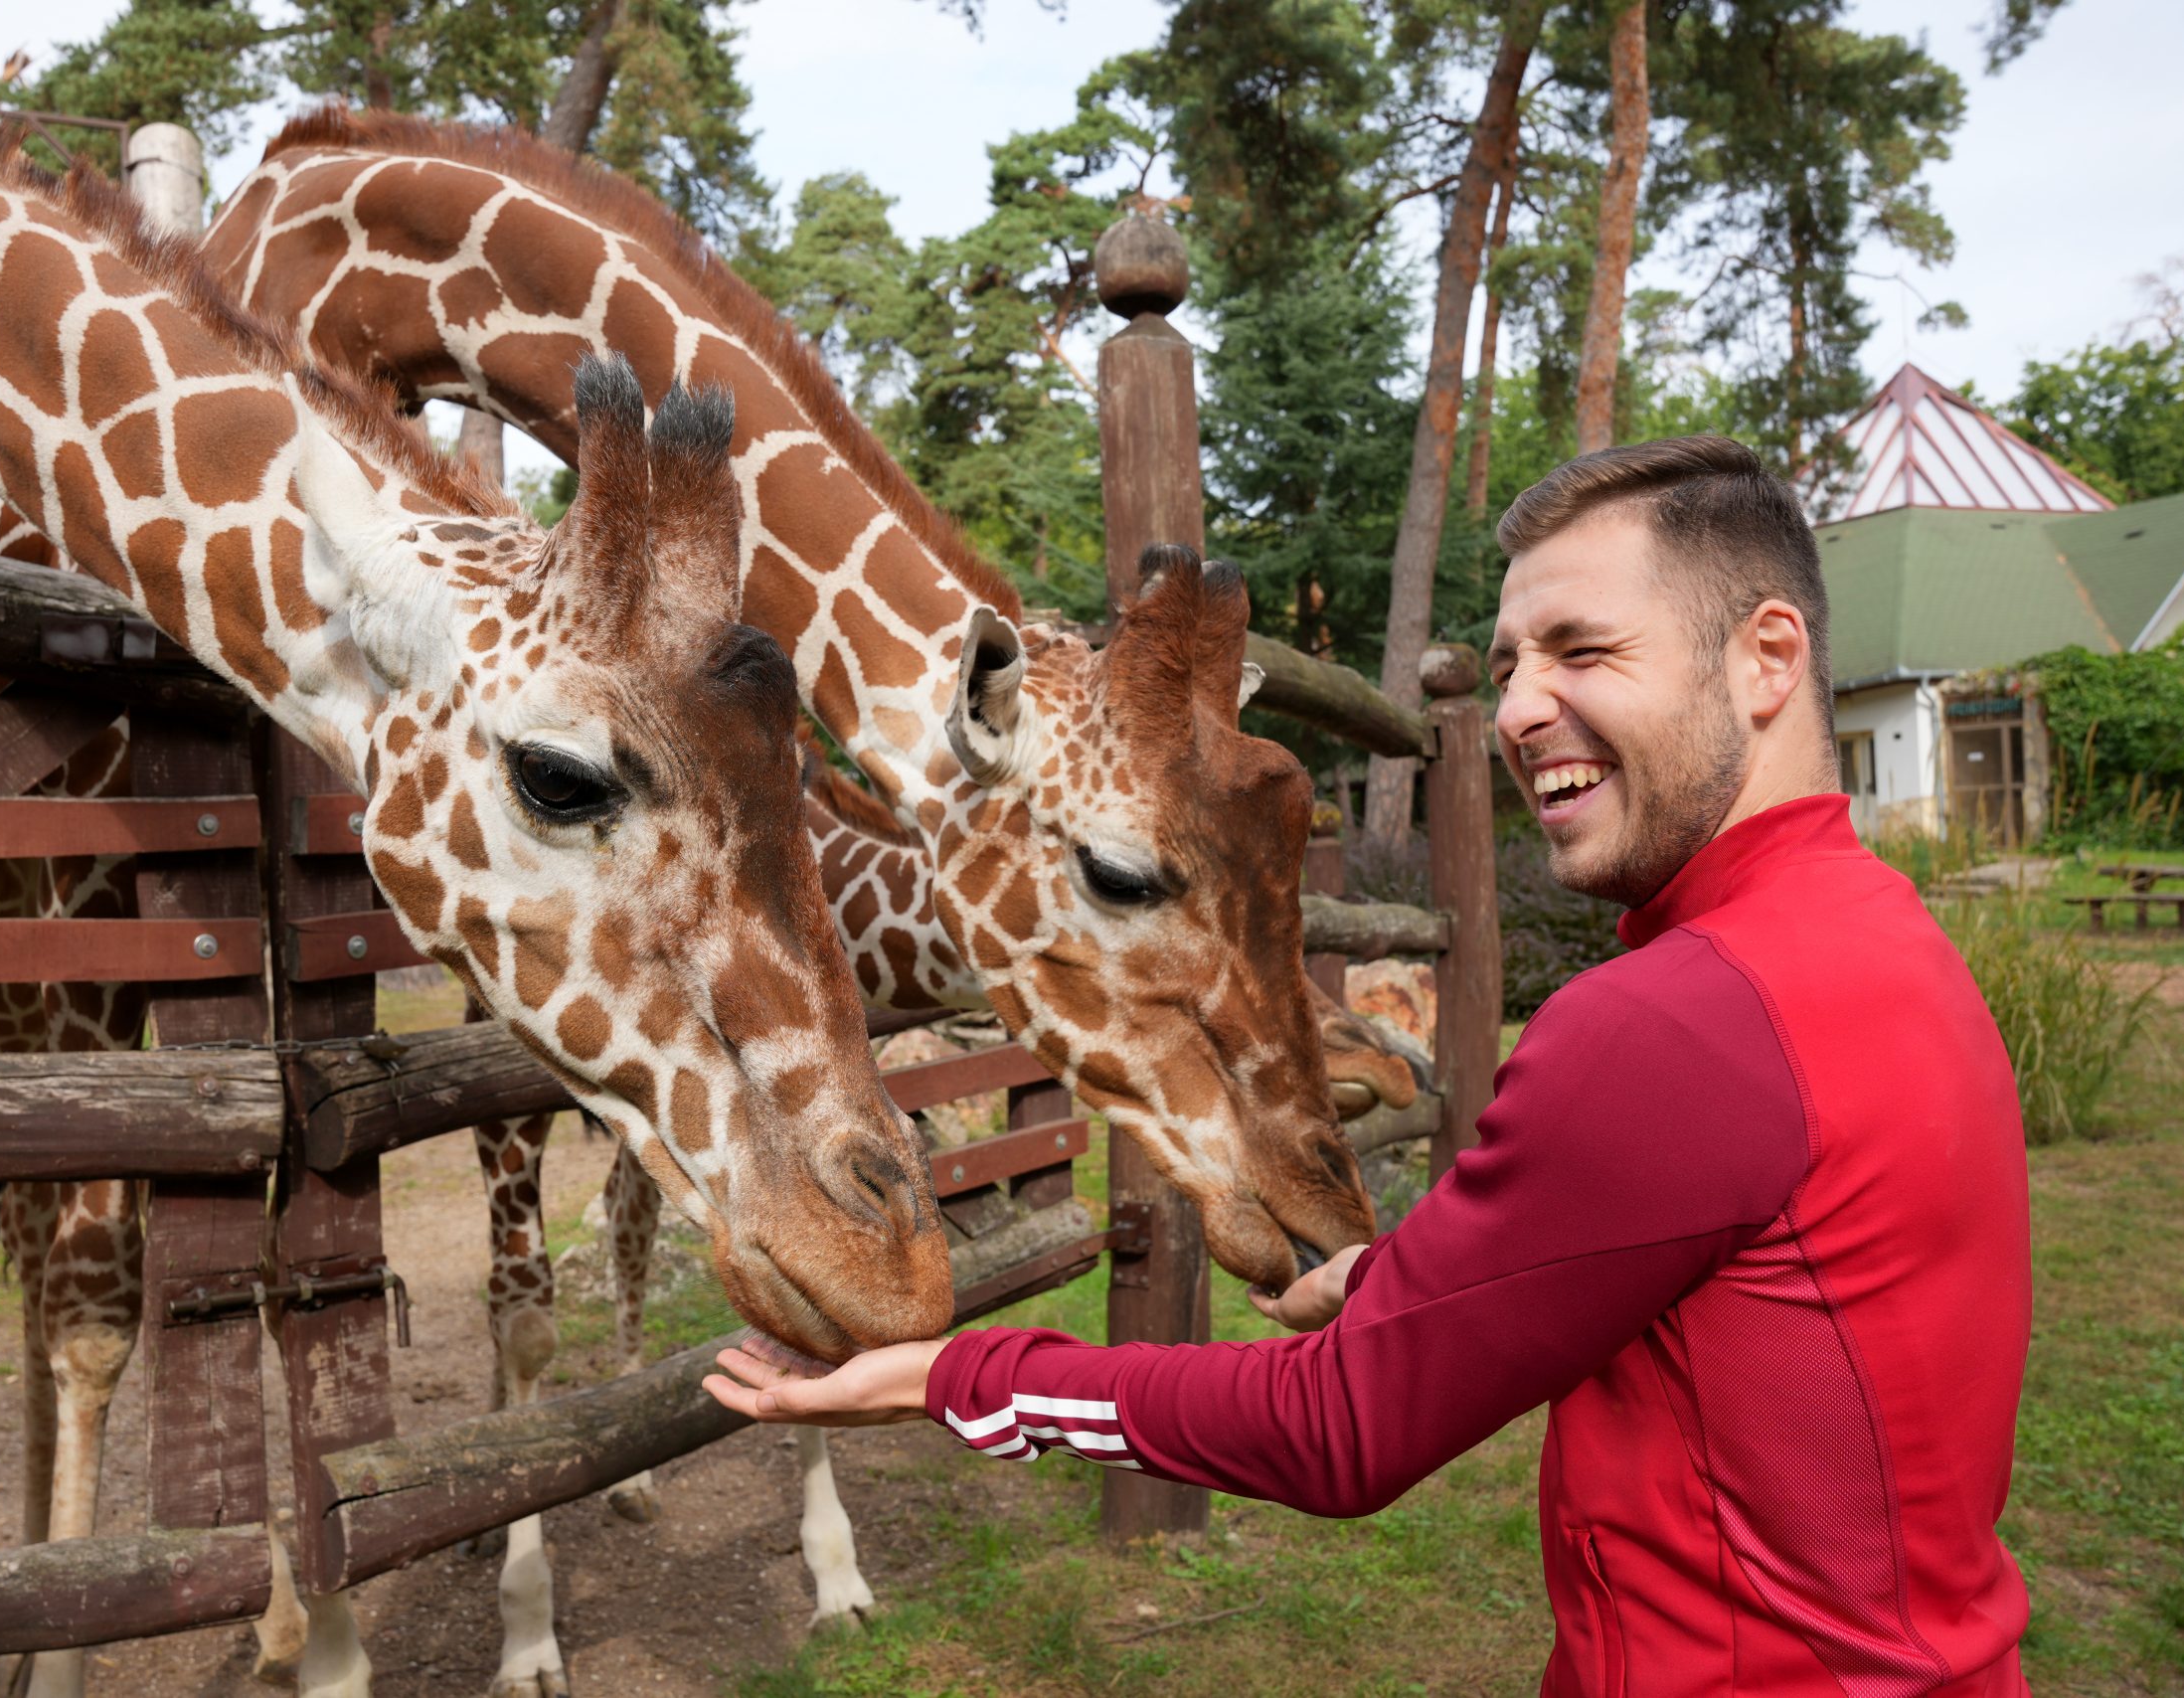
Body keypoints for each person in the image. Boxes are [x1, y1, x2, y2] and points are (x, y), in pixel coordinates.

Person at [706, 436, 2034, 1696]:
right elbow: (1728, 1276)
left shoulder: (1677, 1022)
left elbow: (1341, 1432)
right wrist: (1403, 1285)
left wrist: (949, 1378)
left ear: (1767, 659)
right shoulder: (1891, 947)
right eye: (1511, 661)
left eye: (1583, 649)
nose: (1517, 708)